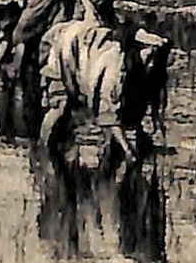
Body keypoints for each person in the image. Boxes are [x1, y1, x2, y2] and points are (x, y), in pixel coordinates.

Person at [37, 20, 169, 167]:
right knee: (60, 108)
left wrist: (152, 131)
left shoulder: (152, 71)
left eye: (155, 56)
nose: (151, 61)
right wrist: (129, 151)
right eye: (148, 54)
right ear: (134, 51)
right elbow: (110, 118)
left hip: (86, 48)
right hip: (66, 53)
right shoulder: (116, 72)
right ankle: (43, 152)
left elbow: (153, 104)